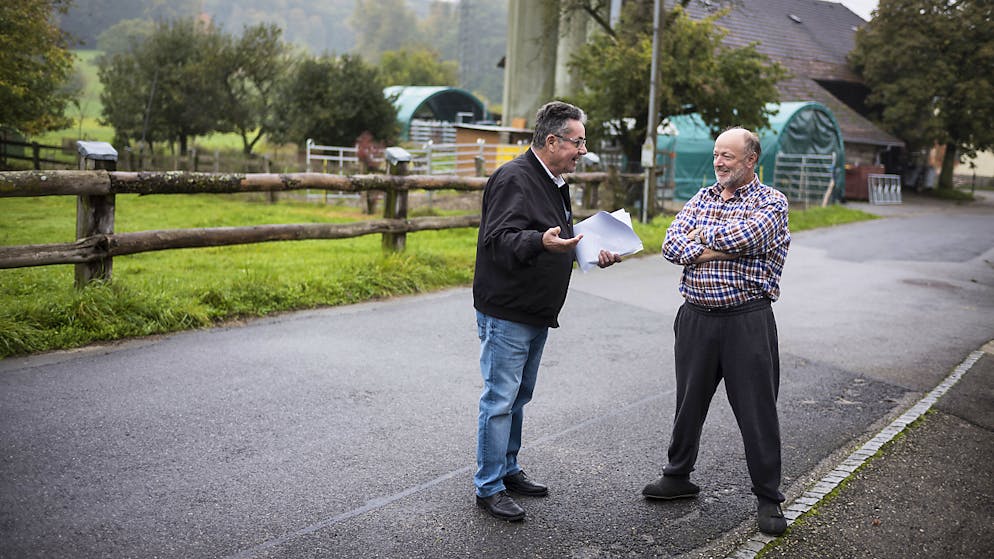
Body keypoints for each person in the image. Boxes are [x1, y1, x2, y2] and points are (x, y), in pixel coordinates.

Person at [472, 101, 620, 522]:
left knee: (518, 396)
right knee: (499, 399)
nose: (582, 151)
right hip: (508, 311)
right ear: (552, 140)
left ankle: (508, 469)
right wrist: (540, 242)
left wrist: (592, 252)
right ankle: (488, 486)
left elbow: (558, 238)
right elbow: (498, 240)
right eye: (578, 142)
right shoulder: (512, 178)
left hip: (536, 310)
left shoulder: (554, 180)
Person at [643, 127, 791, 536]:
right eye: (716, 155)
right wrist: (719, 246)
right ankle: (677, 477)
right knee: (688, 403)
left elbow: (751, 236)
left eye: (728, 155)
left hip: (747, 320)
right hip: (695, 318)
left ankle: (768, 498)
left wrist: (702, 239)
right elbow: (671, 244)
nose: (719, 162)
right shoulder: (702, 197)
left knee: (757, 411)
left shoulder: (771, 203)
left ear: (750, 161)